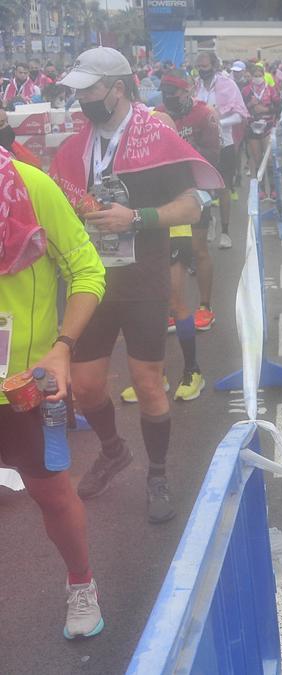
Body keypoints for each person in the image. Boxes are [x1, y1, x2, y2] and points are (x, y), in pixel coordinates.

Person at [49, 47, 222, 522]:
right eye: (78, 90)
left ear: (118, 89)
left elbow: (193, 206)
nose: (81, 99)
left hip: (144, 279)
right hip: (91, 281)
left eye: (90, 90)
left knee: (149, 383)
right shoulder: (76, 146)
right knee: (83, 389)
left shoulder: (155, 135)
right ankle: (112, 450)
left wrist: (136, 218)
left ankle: (158, 474)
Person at [0, 143, 107, 640]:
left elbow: (87, 270)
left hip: (21, 388)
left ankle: (82, 581)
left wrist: (63, 346)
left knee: (52, 497)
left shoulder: (31, 186)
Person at [138, 68, 225, 403]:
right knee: (150, 302)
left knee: (174, 298)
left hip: (180, 216)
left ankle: (193, 371)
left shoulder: (202, 117)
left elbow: (212, 161)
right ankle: (155, 375)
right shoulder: (147, 134)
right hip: (147, 224)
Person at [194, 51, 249, 253]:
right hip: (202, 146)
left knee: (223, 188)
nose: (202, 70)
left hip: (224, 144)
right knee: (204, 188)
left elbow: (239, 116)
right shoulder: (197, 86)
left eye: (205, 67)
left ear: (214, 66)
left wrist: (217, 124)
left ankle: (225, 232)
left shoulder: (228, 85)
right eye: (199, 67)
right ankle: (208, 222)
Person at [242, 62, 282, 201]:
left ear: (264, 75)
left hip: (268, 125)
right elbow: (241, 108)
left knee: (269, 159)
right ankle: (260, 190)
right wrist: (250, 104)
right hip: (252, 126)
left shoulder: (270, 89)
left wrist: (266, 109)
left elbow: (279, 107)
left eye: (260, 75)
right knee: (257, 159)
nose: (257, 78)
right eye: (255, 76)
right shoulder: (246, 90)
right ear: (251, 77)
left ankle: (272, 189)